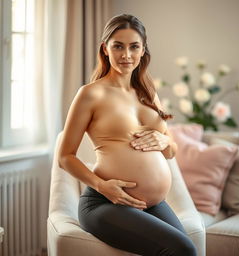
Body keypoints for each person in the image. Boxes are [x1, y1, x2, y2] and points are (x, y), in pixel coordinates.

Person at [58, 13, 197, 256]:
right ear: (105, 48)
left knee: (188, 250)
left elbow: (171, 151)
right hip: (105, 203)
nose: (126, 55)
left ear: (143, 50)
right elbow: (65, 156)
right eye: (118, 46)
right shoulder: (91, 94)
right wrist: (102, 186)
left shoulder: (148, 93)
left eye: (134, 47)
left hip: (151, 205)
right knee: (183, 250)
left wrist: (165, 140)